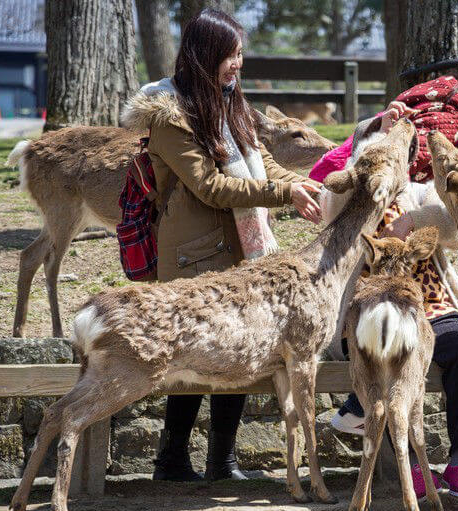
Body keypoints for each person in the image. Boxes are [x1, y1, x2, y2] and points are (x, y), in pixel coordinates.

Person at [310, 57, 458, 502]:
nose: (400, 158)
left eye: (404, 150)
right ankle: (411, 466)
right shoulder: (352, 202)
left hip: (432, 300)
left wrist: (416, 216)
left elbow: (456, 230)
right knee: (400, 353)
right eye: (390, 151)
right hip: (376, 302)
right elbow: (330, 198)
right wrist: (372, 155)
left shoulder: (419, 193)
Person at [120, 8, 322, 482]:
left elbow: (266, 164)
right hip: (193, 256)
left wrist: (310, 187)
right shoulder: (169, 117)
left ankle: (222, 460)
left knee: (239, 351)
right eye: (230, 55)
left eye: (241, 55)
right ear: (204, 55)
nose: (238, 64)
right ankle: (170, 459)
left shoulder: (230, 104)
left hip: (241, 255)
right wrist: (281, 193)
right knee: (190, 361)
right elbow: (209, 186)